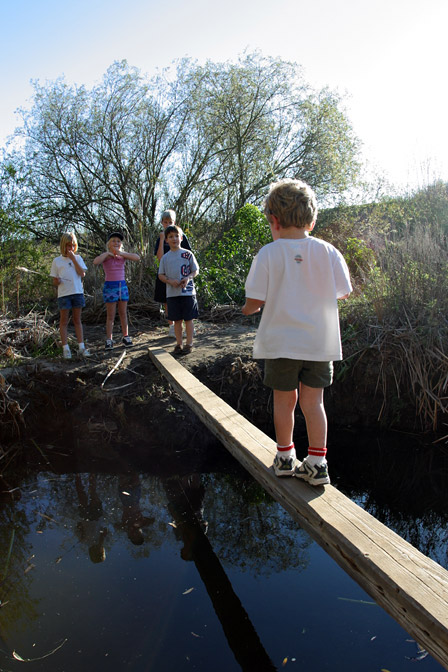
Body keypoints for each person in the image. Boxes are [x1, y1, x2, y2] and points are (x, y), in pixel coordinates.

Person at [242, 178, 352, 486]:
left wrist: (247, 309)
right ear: (313, 221)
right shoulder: (329, 252)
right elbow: (343, 292)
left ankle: (285, 457)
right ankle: (317, 463)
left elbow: (254, 301)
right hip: (319, 343)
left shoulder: (268, 253)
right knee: (313, 402)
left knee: (284, 400)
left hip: (281, 343)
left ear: (273, 221)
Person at [93, 232, 140, 350]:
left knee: (123, 313)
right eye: (113, 241)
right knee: (111, 315)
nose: (116, 243)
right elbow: (96, 262)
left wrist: (120, 253)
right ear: (109, 244)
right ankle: (109, 339)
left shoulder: (122, 256)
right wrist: (107, 254)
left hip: (122, 286)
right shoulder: (106, 256)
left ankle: (126, 336)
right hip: (110, 287)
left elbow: (137, 257)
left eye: (118, 241)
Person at [158, 224, 199, 354]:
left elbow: (195, 270)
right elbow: (160, 275)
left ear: (181, 238)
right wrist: (170, 281)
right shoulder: (165, 258)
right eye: (171, 236)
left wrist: (188, 278)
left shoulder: (188, 254)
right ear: (166, 240)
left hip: (188, 293)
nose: (174, 238)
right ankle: (178, 344)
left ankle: (189, 344)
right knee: (177, 320)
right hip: (172, 294)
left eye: (176, 236)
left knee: (189, 319)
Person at [50, 231, 90, 359]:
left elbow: (82, 274)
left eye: (72, 245)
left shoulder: (78, 258)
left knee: (77, 320)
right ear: (63, 246)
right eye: (68, 246)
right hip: (64, 295)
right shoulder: (57, 261)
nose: (70, 248)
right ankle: (66, 349)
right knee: (64, 321)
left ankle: (81, 347)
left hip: (77, 293)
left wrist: (73, 259)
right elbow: (54, 280)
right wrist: (57, 281)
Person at [153, 209, 192, 338]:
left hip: (181, 273)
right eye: (165, 222)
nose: (168, 224)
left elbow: (188, 255)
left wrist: (187, 275)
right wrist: (162, 239)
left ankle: (188, 327)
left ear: (174, 222)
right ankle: (171, 326)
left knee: (185, 299)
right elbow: (159, 258)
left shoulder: (181, 236)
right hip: (165, 274)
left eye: (170, 222)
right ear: (162, 223)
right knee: (167, 300)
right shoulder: (161, 237)